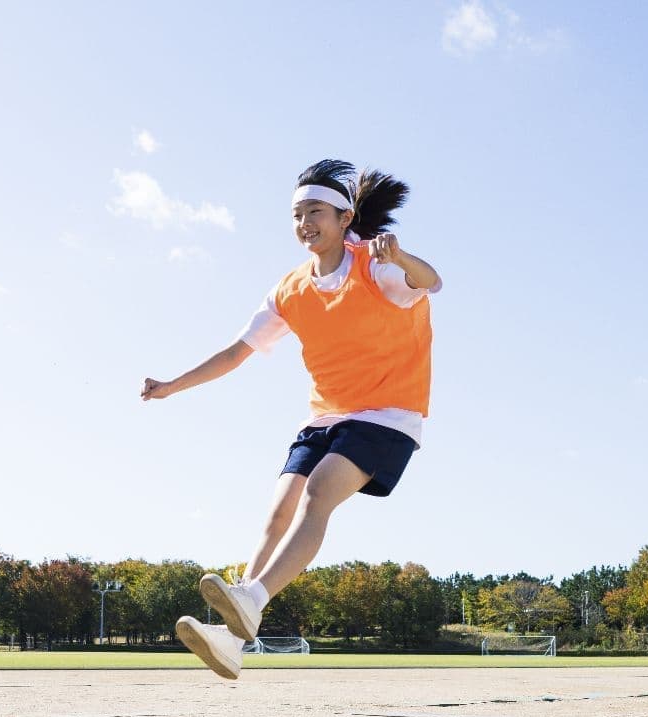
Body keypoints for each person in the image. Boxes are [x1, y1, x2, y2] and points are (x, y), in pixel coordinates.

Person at [140, 158, 442, 679]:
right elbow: (236, 353)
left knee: (319, 492)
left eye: (317, 212)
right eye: (298, 214)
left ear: (345, 218)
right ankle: (232, 638)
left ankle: (252, 599)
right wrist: (171, 387)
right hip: (327, 416)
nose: (306, 223)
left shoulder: (376, 266)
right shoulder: (289, 289)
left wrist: (401, 256)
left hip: (390, 413)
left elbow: (432, 282)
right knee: (279, 508)